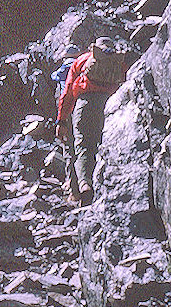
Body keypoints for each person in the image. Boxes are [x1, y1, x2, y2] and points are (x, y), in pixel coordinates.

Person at [55, 37, 126, 206]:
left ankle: (84, 185)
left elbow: (68, 92)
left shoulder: (82, 60)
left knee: (82, 145)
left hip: (85, 104)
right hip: (110, 104)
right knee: (103, 145)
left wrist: (61, 120)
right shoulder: (118, 62)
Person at [51, 45, 82, 201]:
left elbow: (53, 77)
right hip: (84, 107)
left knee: (70, 149)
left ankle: (74, 191)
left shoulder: (64, 67)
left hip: (68, 109)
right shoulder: (83, 67)